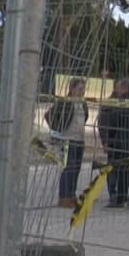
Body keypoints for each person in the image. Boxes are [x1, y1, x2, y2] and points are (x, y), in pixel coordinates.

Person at [98, 77, 129, 207]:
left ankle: (120, 198)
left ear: (125, 88)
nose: (116, 90)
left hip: (121, 142)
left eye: (118, 87)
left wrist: (106, 109)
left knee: (120, 170)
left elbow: (114, 121)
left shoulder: (123, 103)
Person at [46, 77, 87, 208]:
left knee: (76, 169)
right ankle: (64, 196)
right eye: (80, 89)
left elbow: (84, 118)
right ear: (72, 89)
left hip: (80, 140)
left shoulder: (83, 103)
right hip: (68, 140)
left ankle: (71, 195)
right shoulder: (65, 102)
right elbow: (49, 115)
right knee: (67, 169)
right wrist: (58, 129)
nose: (82, 92)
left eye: (83, 89)